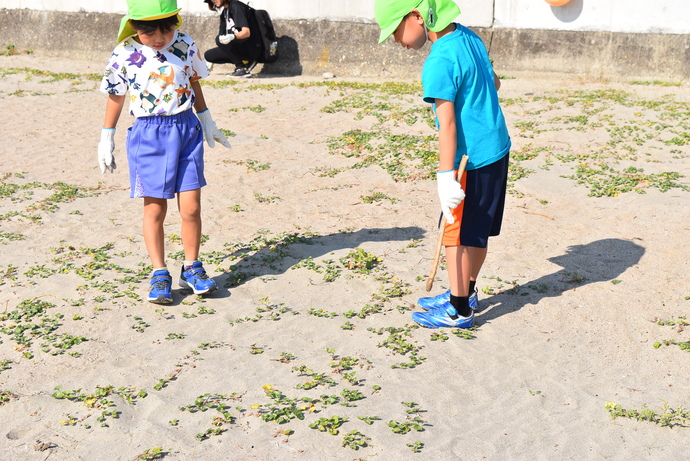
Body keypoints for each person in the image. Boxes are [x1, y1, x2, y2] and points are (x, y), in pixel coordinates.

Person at [374, 0, 511, 328]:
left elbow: (447, 125)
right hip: (496, 148)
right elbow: (495, 83)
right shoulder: (469, 37)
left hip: (468, 161)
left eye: (395, 31)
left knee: (454, 235)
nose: (396, 41)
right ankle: (465, 292)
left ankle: (459, 309)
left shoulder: (438, 60)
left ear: (418, 16)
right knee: (476, 233)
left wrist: (445, 176)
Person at [98, 0, 232, 304]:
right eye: (150, 30)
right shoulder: (124, 54)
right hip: (148, 134)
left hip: (186, 130)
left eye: (167, 27)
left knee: (191, 207)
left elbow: (194, 81)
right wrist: (107, 135)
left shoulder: (184, 43)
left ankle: (192, 266)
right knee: (155, 208)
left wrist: (206, 118)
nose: (160, 36)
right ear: (134, 26)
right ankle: (159, 272)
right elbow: (116, 96)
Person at [203, 0, 262, 78]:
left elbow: (246, 32)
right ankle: (246, 62)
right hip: (239, 46)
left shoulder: (237, 7)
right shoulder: (224, 13)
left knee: (219, 39)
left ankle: (241, 68)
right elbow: (223, 37)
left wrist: (232, 37)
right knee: (209, 55)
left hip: (252, 47)